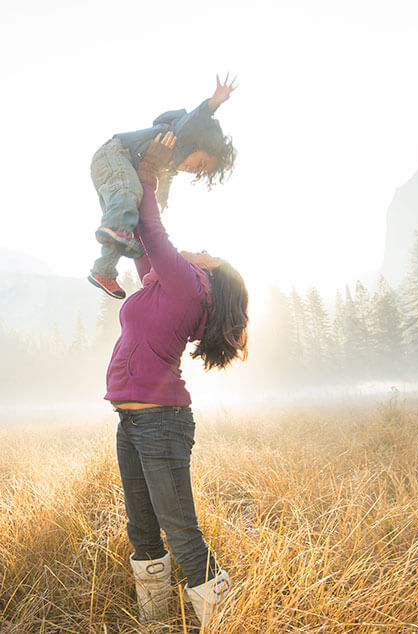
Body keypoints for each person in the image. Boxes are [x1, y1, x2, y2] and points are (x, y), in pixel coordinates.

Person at [110, 134, 249, 626]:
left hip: (161, 423)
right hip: (131, 419)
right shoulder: (168, 283)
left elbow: (153, 231)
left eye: (209, 253)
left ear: (211, 276)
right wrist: (130, 196)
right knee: (143, 528)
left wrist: (148, 170)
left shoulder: (191, 284)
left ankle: (222, 621)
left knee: (181, 532)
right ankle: (154, 622)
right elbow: (142, 247)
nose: (201, 250)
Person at [88, 74, 237, 300]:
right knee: (129, 197)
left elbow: (166, 177)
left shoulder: (171, 163)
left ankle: (104, 270)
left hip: (113, 169)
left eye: (201, 172)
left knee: (124, 223)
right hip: (115, 154)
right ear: (200, 143)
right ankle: (113, 233)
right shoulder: (181, 135)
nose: (196, 170)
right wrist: (212, 104)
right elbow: (193, 120)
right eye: (202, 163)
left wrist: (163, 197)